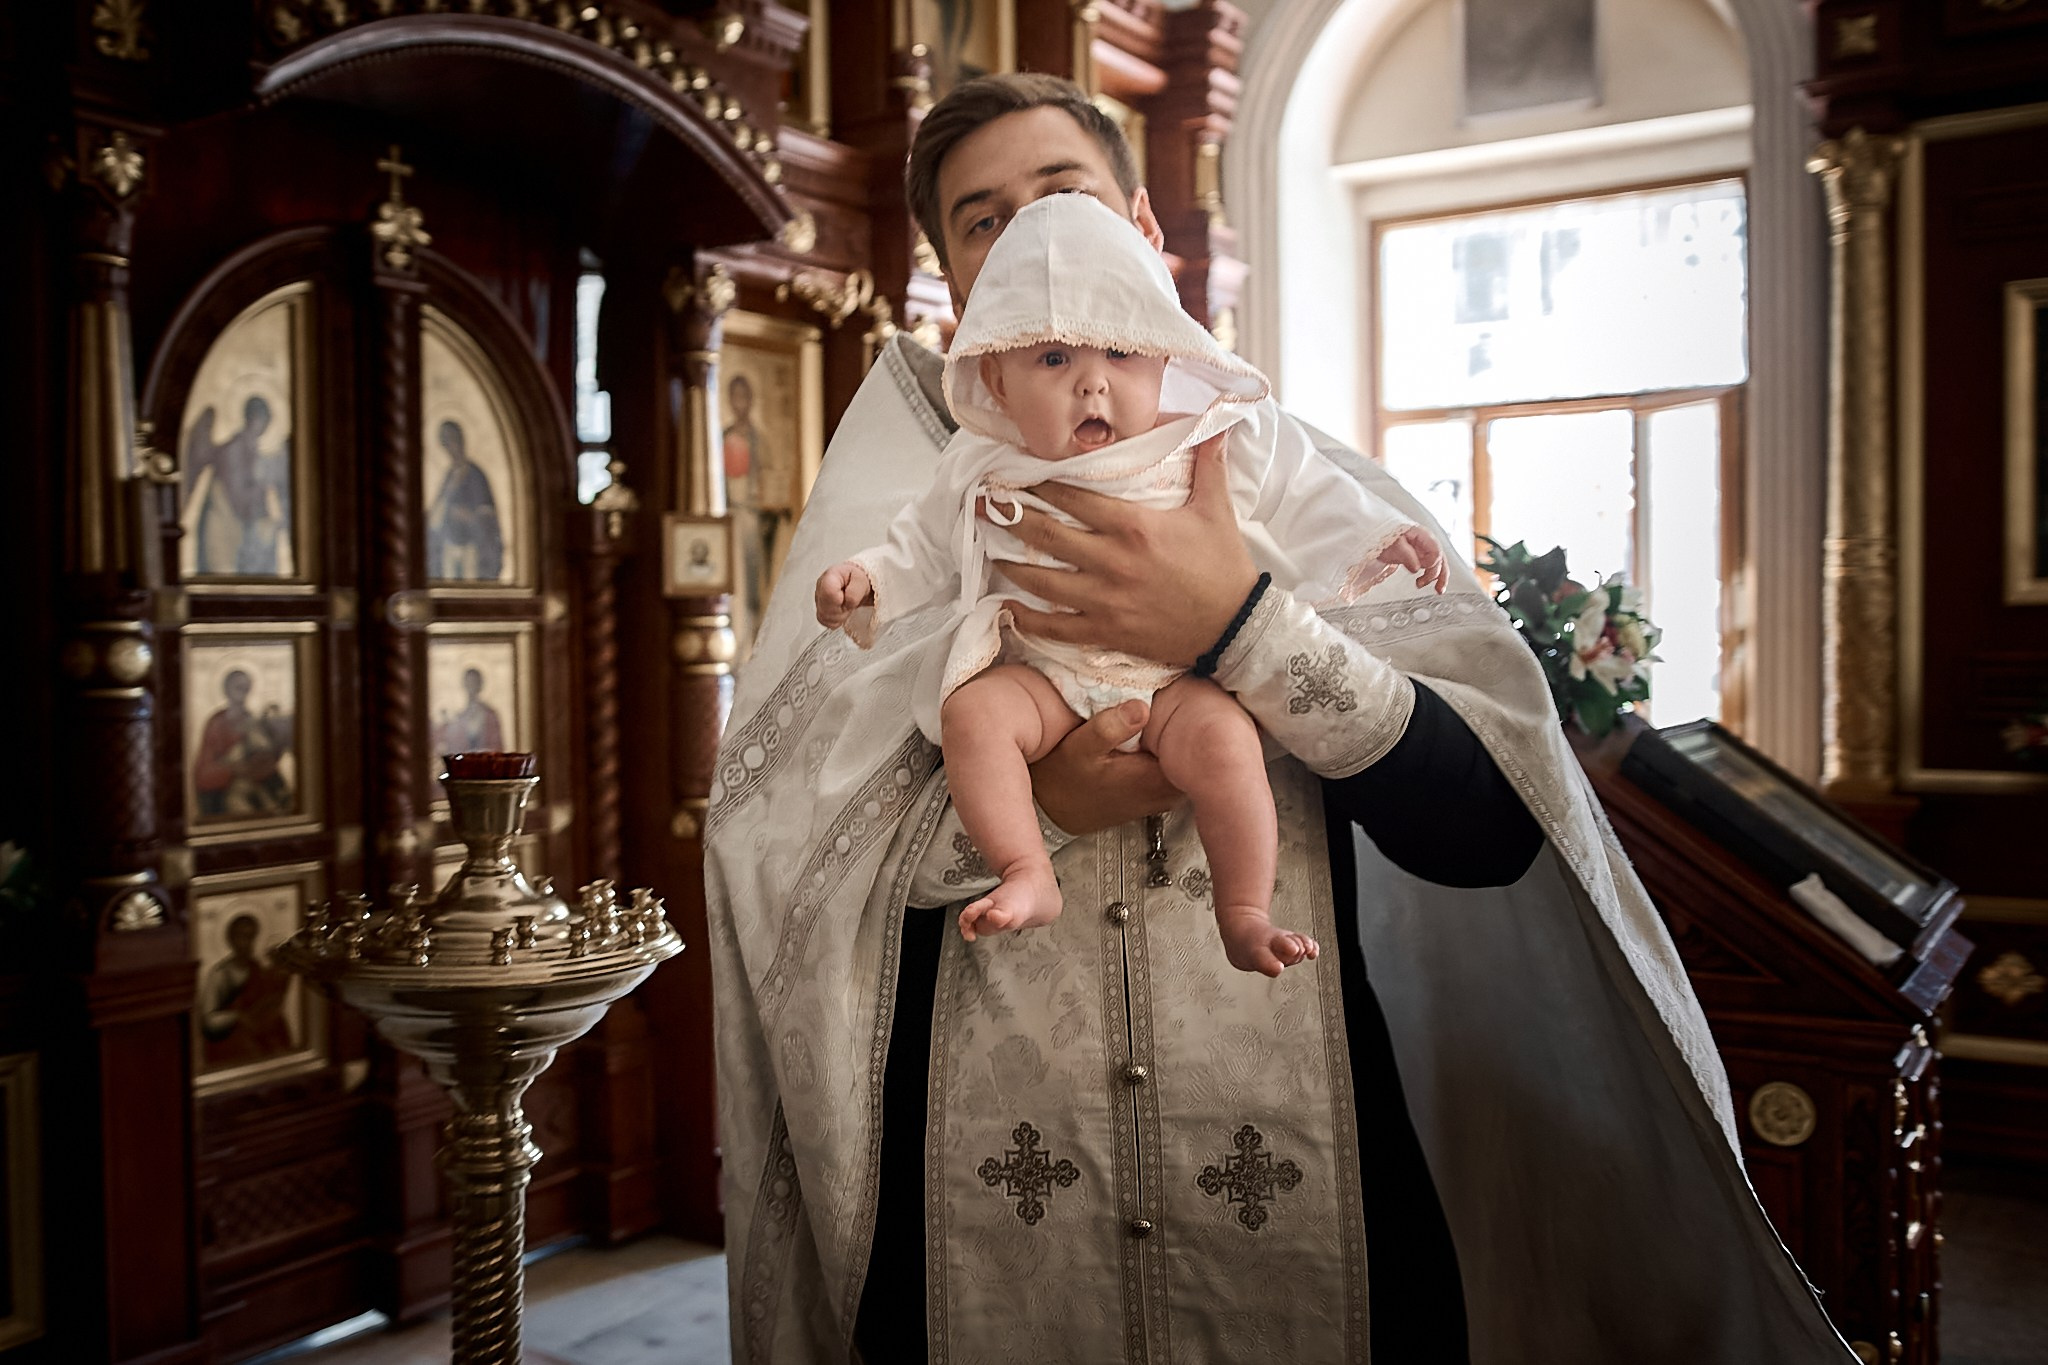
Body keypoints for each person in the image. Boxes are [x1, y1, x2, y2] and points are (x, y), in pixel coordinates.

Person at [706, 73, 1858, 1365]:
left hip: (1314, 1146)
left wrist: (1240, 620)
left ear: (1143, 230)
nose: (1033, 236)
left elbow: (1487, 829)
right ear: (955, 286)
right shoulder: (906, 505)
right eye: (984, 222)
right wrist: (1043, 811)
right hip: (978, 1180)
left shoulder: (1269, 460)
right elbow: (782, 871)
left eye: (1063, 195)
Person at [815, 193, 1446, 974]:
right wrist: (868, 578)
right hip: (1043, 673)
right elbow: (921, 544)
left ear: (1163, 352)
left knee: (1226, 743)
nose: (1092, 385)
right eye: (1053, 359)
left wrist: (1375, 534)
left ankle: (1244, 908)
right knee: (974, 715)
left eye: (1119, 354)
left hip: (1176, 679)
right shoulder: (980, 459)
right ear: (999, 378)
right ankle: (1025, 867)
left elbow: (1302, 491)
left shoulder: (1206, 434)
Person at [198, 912, 296, 1068]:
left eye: (251, 937)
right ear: (231, 939)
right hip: (230, 1043)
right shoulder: (220, 974)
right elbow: (209, 1021)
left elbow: (270, 1001)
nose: (247, 943)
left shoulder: (257, 968)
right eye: (241, 937)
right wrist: (237, 1017)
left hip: (259, 1038)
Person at [192, 669, 293, 819]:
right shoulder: (216, 723)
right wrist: (233, 767)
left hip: (256, 783)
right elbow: (204, 771)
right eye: (238, 687)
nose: (242, 692)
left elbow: (266, 757)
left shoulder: (253, 720)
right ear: (226, 689)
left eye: (246, 687)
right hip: (225, 790)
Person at [426, 419, 505, 581]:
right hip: (449, 550)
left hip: (472, 551)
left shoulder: (476, 475)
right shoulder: (449, 476)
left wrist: (470, 517)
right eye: (447, 443)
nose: (451, 447)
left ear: (461, 441)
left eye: (454, 441)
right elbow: (436, 517)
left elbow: (488, 517)